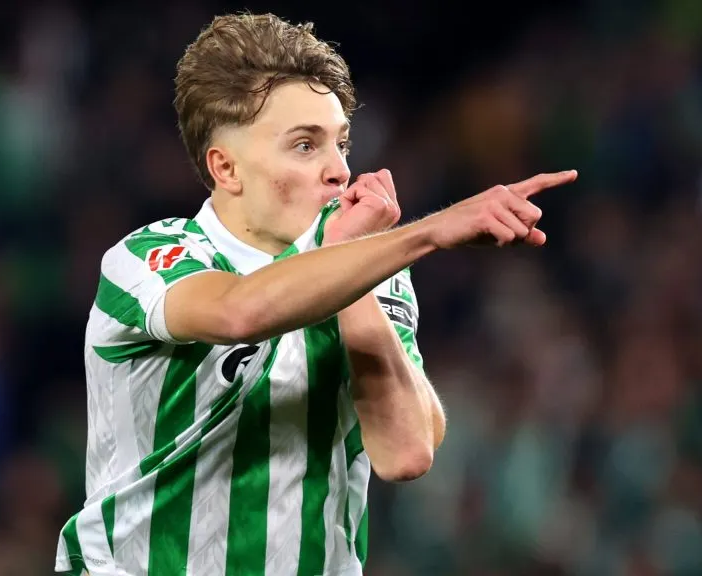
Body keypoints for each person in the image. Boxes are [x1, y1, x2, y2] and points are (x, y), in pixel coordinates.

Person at [55, 12, 576, 576]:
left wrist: (353, 273)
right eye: (305, 146)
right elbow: (240, 311)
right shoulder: (150, 258)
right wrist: (428, 232)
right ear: (226, 168)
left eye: (342, 144)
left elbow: (407, 451)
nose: (339, 171)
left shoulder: (370, 268)